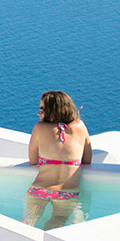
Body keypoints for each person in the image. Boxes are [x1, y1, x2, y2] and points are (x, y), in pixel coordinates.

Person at [23, 90, 91, 230]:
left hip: (39, 189)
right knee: (55, 224)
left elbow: (33, 161)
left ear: (52, 110)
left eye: (42, 109)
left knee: (27, 223)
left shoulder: (39, 128)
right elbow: (87, 160)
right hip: (67, 192)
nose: (38, 113)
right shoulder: (80, 127)